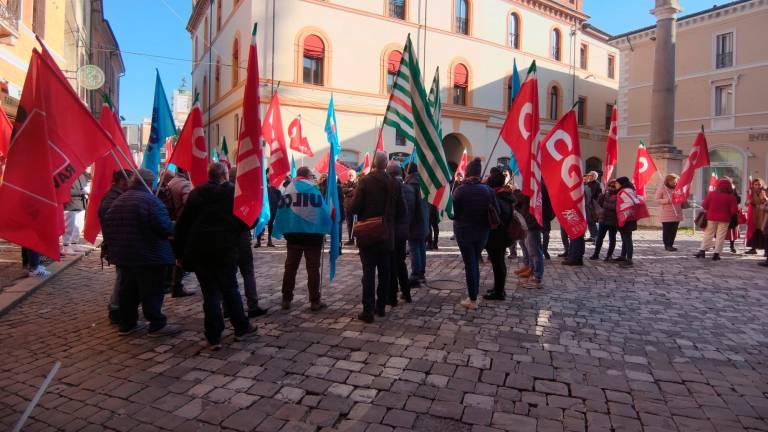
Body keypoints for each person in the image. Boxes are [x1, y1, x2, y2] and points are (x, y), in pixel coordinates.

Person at [174, 163, 255, 350]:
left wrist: (179, 253)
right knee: (230, 289)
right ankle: (241, 328)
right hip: (225, 250)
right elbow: (247, 221)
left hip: (201, 251)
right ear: (225, 175)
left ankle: (213, 336)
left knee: (210, 293)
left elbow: (182, 226)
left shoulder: (195, 194)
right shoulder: (232, 194)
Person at [103, 169, 181, 337]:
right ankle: (157, 324)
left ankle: (127, 324)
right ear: (150, 183)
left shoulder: (119, 200)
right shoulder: (151, 201)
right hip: (149, 255)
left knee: (128, 291)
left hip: (125, 256)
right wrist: (176, 226)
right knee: (151, 290)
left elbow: (109, 225)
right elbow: (164, 227)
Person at [349, 152, 405, 323]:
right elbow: (402, 211)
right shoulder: (395, 183)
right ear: (386, 164)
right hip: (387, 234)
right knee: (385, 272)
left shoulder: (365, 181)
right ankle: (380, 307)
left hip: (368, 234)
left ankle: (368, 310)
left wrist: (350, 199)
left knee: (368, 273)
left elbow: (354, 209)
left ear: (374, 163)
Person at [272, 166, 332, 312]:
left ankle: (286, 299)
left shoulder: (289, 189)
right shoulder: (314, 189)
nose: (313, 178)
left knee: (290, 268)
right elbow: (323, 211)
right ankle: (314, 301)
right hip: (312, 236)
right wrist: (327, 225)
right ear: (307, 176)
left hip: (293, 236)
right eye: (312, 175)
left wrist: (284, 229)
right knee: (312, 269)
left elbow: (281, 212)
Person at [452, 158, 498, 309]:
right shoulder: (489, 191)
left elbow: (455, 214)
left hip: (464, 231)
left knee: (470, 264)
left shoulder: (460, 191)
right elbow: (495, 211)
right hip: (482, 232)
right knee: (474, 263)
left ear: (468, 172)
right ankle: (474, 294)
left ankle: (472, 298)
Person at [228, 166, 267, 318]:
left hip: (225, 238)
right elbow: (252, 221)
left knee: (228, 274)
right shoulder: (242, 194)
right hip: (241, 236)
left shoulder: (219, 192)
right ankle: (253, 305)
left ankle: (227, 307)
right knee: (247, 272)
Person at [99, 169, 132, 323]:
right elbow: (111, 222)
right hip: (117, 244)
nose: (132, 183)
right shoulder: (112, 198)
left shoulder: (116, 196)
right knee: (122, 277)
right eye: (130, 180)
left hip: (119, 243)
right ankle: (115, 308)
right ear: (122, 181)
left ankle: (119, 307)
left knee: (124, 277)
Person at [483, 171, 514, 301]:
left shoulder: (497, 197)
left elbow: (496, 217)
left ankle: (499, 292)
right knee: (499, 262)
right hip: (503, 234)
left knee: (498, 263)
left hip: (497, 235)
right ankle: (498, 288)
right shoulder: (504, 194)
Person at [165, 168, 195, 298]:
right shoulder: (185, 184)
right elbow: (190, 206)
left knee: (177, 255)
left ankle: (175, 284)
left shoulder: (171, 182)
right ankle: (176, 285)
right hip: (183, 225)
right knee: (181, 256)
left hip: (173, 222)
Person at [695, 178, 738, 261]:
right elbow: (734, 211)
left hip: (711, 218)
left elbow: (704, 206)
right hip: (725, 219)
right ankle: (716, 254)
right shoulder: (731, 197)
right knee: (720, 236)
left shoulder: (711, 194)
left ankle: (702, 251)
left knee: (708, 234)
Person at [387, 164, 412, 305]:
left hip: (392, 232)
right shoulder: (410, 189)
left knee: (391, 263)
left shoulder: (389, 189)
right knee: (401, 263)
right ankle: (406, 293)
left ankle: (392, 296)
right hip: (404, 232)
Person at [515, 190, 545, 288]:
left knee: (535, 252)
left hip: (533, 223)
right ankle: (531, 270)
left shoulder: (537, 186)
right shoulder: (531, 186)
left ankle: (537, 277)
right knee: (529, 249)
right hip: (529, 221)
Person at [405, 163, 428, 287]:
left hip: (415, 222)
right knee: (421, 248)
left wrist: (406, 224)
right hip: (423, 220)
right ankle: (421, 274)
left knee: (415, 249)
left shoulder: (410, 185)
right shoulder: (423, 184)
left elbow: (409, 207)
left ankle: (415, 275)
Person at [615, 177, 642, 267]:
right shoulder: (628, 190)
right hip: (627, 218)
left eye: (617, 183)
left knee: (627, 239)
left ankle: (629, 259)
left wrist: (624, 215)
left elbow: (631, 203)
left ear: (621, 184)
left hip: (627, 219)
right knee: (624, 238)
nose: (615, 185)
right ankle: (623, 256)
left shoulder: (625, 191)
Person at [591, 180, 619, 261]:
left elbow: (616, 207)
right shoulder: (604, 194)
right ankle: (596, 254)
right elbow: (598, 204)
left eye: (613, 186)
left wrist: (605, 208)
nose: (611, 188)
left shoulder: (619, 195)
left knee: (612, 238)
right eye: (610, 185)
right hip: (603, 219)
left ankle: (609, 255)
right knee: (600, 237)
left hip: (613, 220)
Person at [655, 174, 683, 251]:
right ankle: (667, 244)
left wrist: (681, 198)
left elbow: (682, 197)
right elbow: (657, 200)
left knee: (673, 230)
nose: (675, 183)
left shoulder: (678, 188)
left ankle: (671, 244)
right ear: (668, 181)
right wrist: (667, 201)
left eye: (676, 181)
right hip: (666, 213)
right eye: (673, 181)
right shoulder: (663, 189)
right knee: (667, 230)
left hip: (676, 212)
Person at [62, 174, 88, 255]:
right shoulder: (67, 174)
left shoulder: (82, 175)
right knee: (69, 226)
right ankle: (66, 246)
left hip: (81, 203)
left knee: (78, 226)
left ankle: (74, 244)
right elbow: (64, 189)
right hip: (70, 204)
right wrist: (81, 191)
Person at [745, 178, 767, 255]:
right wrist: (748, 202)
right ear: (753, 185)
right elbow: (746, 203)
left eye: (759, 184)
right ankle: (753, 248)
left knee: (763, 231)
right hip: (754, 214)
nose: (757, 186)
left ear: (762, 185)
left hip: (762, 215)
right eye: (755, 184)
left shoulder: (765, 192)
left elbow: (766, 202)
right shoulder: (751, 192)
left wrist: (764, 199)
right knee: (753, 231)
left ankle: (766, 251)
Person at [257, 182, 281, 247]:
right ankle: (258, 241)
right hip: (262, 210)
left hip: (272, 210)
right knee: (260, 224)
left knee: (270, 225)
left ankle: (269, 241)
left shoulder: (277, 192)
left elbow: (279, 202)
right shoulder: (262, 190)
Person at [583, 171, 602, 242]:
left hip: (593, 206)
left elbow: (599, 196)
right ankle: (593, 236)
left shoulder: (598, 184)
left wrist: (595, 203)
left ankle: (596, 237)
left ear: (594, 176)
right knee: (589, 221)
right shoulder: (587, 184)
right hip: (587, 205)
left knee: (593, 221)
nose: (588, 176)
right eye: (588, 175)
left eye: (590, 175)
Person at [343, 170, 358, 245]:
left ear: (355, 176)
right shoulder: (345, 183)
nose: (351, 176)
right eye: (349, 175)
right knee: (349, 224)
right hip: (347, 206)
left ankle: (357, 240)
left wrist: (348, 192)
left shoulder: (358, 183)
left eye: (352, 175)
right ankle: (350, 239)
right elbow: (343, 190)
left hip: (356, 206)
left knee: (357, 224)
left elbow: (356, 192)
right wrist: (350, 190)